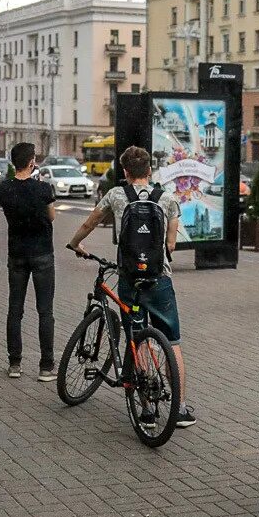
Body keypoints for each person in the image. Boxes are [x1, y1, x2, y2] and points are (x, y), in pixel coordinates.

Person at [69, 145, 196, 427]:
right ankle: (181, 409)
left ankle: (147, 411)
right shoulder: (167, 198)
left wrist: (75, 244)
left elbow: (91, 222)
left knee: (135, 337)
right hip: (160, 280)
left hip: (130, 280)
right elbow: (171, 243)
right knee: (172, 343)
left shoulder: (116, 195)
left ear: (125, 172)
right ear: (149, 171)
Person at [0, 143, 56, 380]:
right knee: (45, 311)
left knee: (15, 309)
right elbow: (51, 216)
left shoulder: (4, 189)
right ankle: (46, 366)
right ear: (32, 162)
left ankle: (14, 363)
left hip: (17, 253)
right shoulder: (44, 188)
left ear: (13, 163)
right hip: (42, 252)